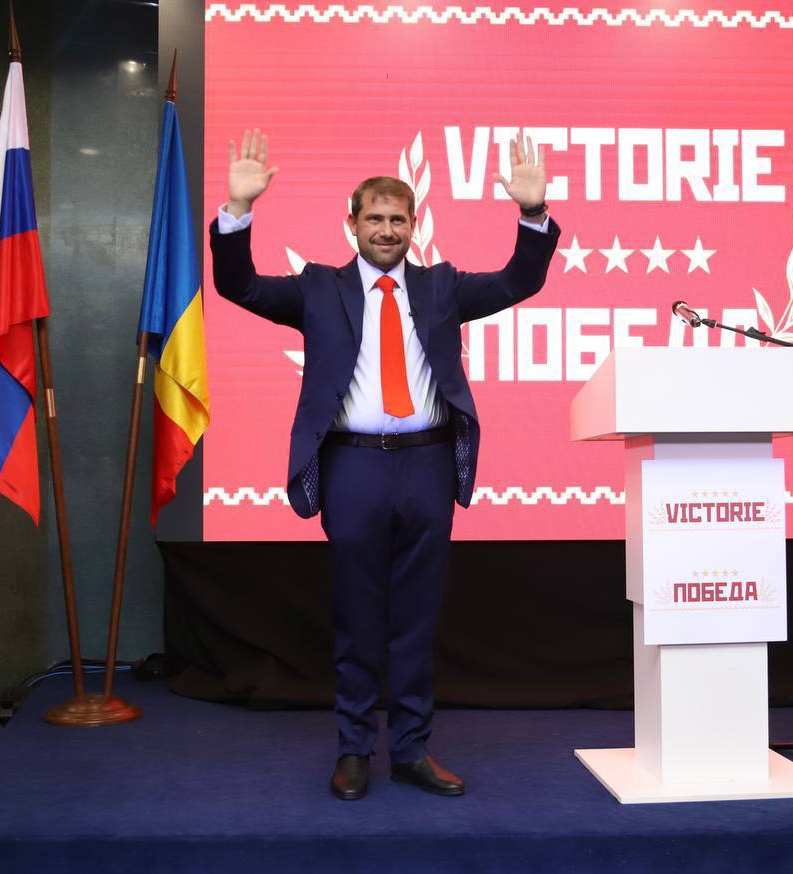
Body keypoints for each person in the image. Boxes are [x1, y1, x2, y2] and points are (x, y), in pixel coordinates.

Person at [210, 129, 559, 800]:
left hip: (428, 466)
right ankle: (352, 750)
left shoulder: (442, 287)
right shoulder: (318, 288)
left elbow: (521, 280)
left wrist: (532, 211)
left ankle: (410, 750)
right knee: (357, 613)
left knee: (418, 617)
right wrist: (239, 209)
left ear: (413, 225)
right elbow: (239, 285)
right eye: (374, 218)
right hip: (353, 468)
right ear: (352, 225)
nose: (387, 230)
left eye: (398, 219)